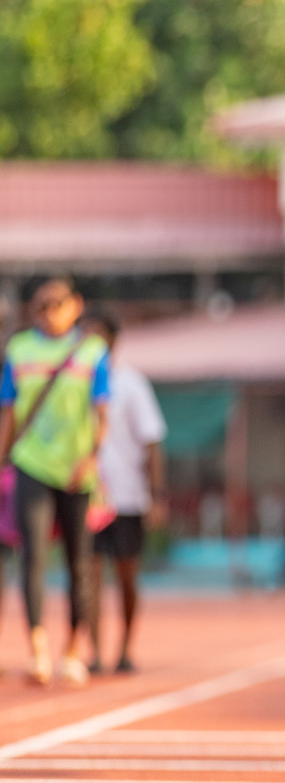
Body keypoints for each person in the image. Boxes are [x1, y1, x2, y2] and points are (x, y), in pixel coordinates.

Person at [0, 277, 110, 686]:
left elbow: (102, 415)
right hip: (31, 464)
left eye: (57, 303)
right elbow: (8, 413)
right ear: (32, 311)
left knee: (79, 562)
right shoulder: (19, 350)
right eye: (41, 304)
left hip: (76, 470)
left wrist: (92, 458)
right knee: (33, 556)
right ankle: (38, 650)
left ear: (76, 305)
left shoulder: (93, 352)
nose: (49, 311)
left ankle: (71, 651)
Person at [82, 309, 167, 675]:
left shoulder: (132, 384)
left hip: (128, 497)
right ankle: (95, 652)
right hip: (86, 496)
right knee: (90, 575)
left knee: (127, 576)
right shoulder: (74, 383)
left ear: (113, 341)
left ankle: (125, 648)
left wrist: (157, 495)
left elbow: (151, 443)